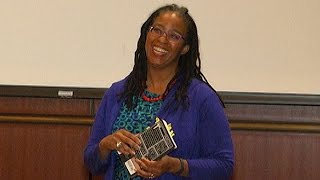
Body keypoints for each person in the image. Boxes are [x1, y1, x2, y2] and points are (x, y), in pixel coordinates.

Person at [84, 4, 234, 180]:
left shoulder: (201, 98)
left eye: (174, 36)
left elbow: (224, 166)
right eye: (157, 30)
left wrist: (176, 166)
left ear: (185, 48)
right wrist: (105, 145)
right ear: (146, 34)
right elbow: (91, 162)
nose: (162, 40)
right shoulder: (117, 93)